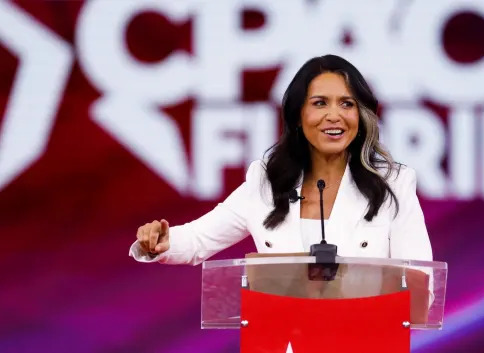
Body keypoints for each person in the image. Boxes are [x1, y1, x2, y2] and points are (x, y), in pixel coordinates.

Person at [130, 54, 432, 265]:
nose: (334, 116)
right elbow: (198, 239)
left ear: (361, 115)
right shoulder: (267, 182)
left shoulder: (393, 183)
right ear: (298, 116)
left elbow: (421, 279)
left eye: (346, 104)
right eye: (319, 103)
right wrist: (162, 242)